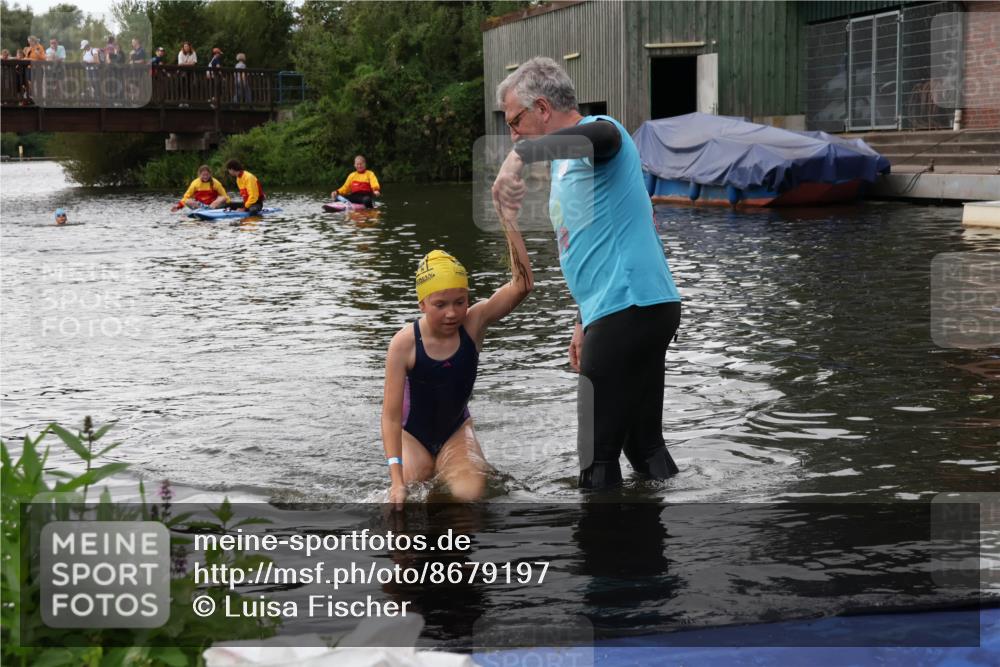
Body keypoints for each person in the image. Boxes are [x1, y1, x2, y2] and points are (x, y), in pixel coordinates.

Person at [492, 56, 682, 490]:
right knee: (644, 448)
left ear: (542, 109)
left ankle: (598, 557)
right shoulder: (565, 164)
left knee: (595, 461)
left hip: (628, 309)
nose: (513, 133)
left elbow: (605, 136)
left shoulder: (600, 131)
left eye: (515, 121)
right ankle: (659, 553)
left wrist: (520, 155)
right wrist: (582, 319)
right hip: (633, 309)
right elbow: (592, 245)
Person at [381, 214, 533, 506]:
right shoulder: (404, 344)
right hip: (412, 436)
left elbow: (522, 286)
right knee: (412, 493)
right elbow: (389, 417)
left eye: (460, 302)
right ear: (422, 303)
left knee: (469, 495)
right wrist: (396, 481)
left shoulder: (474, 323)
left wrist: (509, 222)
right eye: (440, 305)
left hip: (455, 430)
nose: (452, 313)